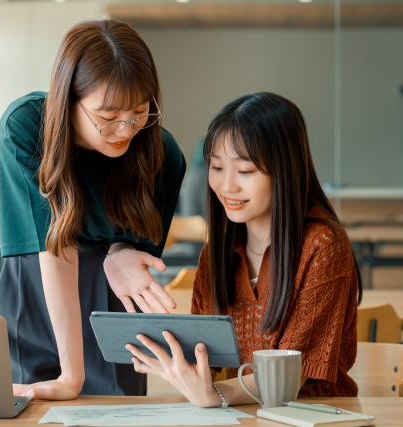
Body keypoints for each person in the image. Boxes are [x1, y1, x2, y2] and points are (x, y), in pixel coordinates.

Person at [0, 19, 186, 400]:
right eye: (107, 118)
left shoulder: (163, 156)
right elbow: (54, 246)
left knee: (116, 404)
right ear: (68, 99)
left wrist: (120, 251)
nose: (126, 130)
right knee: (27, 402)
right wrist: (72, 374)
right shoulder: (24, 126)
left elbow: (137, 246)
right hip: (31, 273)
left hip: (109, 284)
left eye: (140, 112)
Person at [126, 92, 362, 406]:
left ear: (285, 171)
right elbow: (205, 365)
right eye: (217, 167)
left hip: (315, 416)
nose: (227, 186)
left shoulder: (322, 246)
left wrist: (215, 396)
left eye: (245, 171)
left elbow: (290, 377)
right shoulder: (216, 255)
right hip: (243, 416)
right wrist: (176, 365)